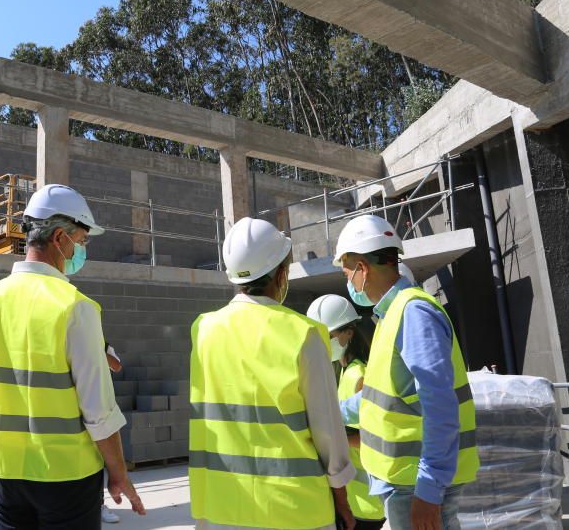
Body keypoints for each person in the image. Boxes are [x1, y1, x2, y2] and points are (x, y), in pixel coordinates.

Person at [0, 184, 145, 529]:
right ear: (60, 238)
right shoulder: (74, 306)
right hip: (66, 474)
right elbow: (98, 409)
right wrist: (118, 472)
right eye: (81, 240)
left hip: (6, 472)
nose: (82, 249)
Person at [190, 217, 355, 530]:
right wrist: (341, 497)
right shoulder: (304, 333)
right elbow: (328, 430)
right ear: (281, 272)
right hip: (293, 509)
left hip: (219, 508)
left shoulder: (203, 329)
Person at [334, 215, 479, 530]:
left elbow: (440, 405)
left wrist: (429, 490)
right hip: (404, 482)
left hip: (415, 484)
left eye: (346, 270)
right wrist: (330, 412)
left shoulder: (414, 312)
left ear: (362, 268)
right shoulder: (393, 315)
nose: (347, 280)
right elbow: (381, 399)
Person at [307, 295, 385, 530]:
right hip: (353, 498)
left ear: (348, 333)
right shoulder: (343, 372)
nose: (323, 342)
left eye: (328, 336)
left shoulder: (359, 375)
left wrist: (328, 437)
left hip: (364, 502)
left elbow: (371, 438)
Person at [101, 343, 123, 524]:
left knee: (98, 459)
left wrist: (97, 349)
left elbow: (116, 366)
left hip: (99, 405)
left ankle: (99, 504)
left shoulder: (104, 345)